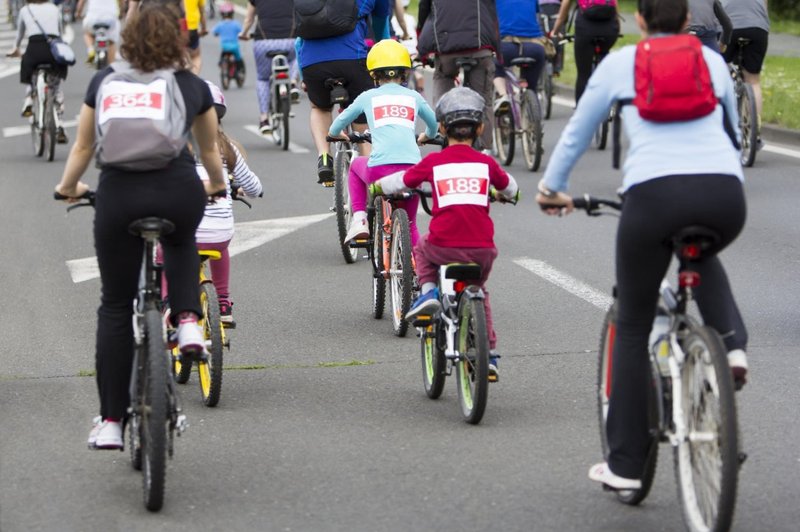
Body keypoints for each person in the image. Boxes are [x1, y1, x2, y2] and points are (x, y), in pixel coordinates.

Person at [536, 0, 748, 489]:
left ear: (641, 21)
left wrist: (551, 189)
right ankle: (733, 348)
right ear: (687, 19)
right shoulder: (711, 61)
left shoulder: (620, 63)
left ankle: (626, 466)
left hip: (653, 199)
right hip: (723, 195)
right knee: (703, 249)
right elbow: (732, 135)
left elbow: (575, 133)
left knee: (632, 323)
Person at [54, 4, 227, 450]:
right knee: (182, 238)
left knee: (115, 306)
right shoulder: (189, 86)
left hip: (119, 196)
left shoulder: (104, 81)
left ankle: (111, 421)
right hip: (176, 187)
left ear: (126, 38)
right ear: (177, 38)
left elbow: (84, 146)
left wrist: (68, 187)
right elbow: (208, 151)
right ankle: (188, 320)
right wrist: (218, 185)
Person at [372, 87, 519, 381]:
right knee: (481, 292)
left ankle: (427, 294)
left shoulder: (433, 163)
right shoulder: (486, 164)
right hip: (482, 250)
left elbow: (400, 181)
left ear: (440, 127)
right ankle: (488, 355)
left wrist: (377, 187)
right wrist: (503, 194)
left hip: (442, 246)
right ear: (480, 128)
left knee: (421, 249)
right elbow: (511, 189)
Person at [328, 39, 437, 245]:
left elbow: (337, 125)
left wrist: (338, 134)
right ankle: (419, 271)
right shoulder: (414, 96)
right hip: (412, 171)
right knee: (411, 224)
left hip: (380, 170)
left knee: (355, 166)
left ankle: (360, 219)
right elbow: (434, 124)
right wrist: (427, 136)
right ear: (405, 72)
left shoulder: (368, 96)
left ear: (374, 75)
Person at [296, 0, 392, 185]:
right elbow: (381, 25)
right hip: (352, 58)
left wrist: (304, 77)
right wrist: (383, 49)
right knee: (361, 116)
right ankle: (370, 172)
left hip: (312, 63)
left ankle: (324, 156)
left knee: (320, 108)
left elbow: (299, 41)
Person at [195, 81, 263, 326]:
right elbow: (255, 188)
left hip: (186, 231)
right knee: (219, 245)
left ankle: (167, 304)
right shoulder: (227, 148)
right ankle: (223, 302)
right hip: (219, 232)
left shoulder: (174, 146)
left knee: (165, 252)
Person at [416, 0, 500, 152]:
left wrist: (421, 39)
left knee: (443, 77)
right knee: (484, 99)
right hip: (480, 46)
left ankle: (443, 122)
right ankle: (484, 150)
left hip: (447, 48)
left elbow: (424, 9)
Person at [6, 0, 70, 144]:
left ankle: (29, 99)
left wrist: (15, 49)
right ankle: (59, 122)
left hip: (34, 49)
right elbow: (60, 33)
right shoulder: (54, 9)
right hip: (52, 50)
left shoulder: (25, 10)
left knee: (29, 73)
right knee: (56, 83)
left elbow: (19, 35)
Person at [239, 0, 298, 134]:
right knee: (298, 56)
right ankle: (293, 82)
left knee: (263, 79)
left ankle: (264, 119)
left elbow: (249, 19)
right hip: (290, 41)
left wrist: (243, 34)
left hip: (264, 44)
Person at [551, 0, 620, 102]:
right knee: (604, 56)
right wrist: (617, 27)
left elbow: (565, 5)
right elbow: (615, 3)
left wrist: (555, 31)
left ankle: (581, 111)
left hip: (586, 30)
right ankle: (610, 104)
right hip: (609, 29)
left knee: (583, 74)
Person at [722, 0, 769, 147]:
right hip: (757, 27)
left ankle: (724, 127)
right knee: (753, 80)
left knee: (722, 73)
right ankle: (755, 131)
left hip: (728, 26)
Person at [493, 0, 548, 115]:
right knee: (531, 86)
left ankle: (503, 95)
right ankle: (531, 99)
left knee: (495, 65)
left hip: (506, 47)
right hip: (535, 48)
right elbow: (537, 13)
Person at [76, 0, 120, 65]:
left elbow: (81, 2)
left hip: (92, 19)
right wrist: (121, 11)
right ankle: (111, 66)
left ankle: (91, 49)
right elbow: (121, 3)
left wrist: (78, 13)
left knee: (87, 33)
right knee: (111, 41)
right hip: (110, 19)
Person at [212, 2, 245, 77]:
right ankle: (240, 70)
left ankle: (221, 63)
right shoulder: (236, 24)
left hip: (225, 46)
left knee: (222, 54)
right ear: (232, 14)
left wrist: (217, 34)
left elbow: (214, 32)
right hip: (234, 46)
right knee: (238, 58)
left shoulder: (220, 24)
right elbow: (242, 32)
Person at [184, 0, 208, 73]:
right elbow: (202, 11)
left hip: (176, 27)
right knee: (196, 56)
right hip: (192, 27)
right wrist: (204, 28)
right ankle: (194, 76)